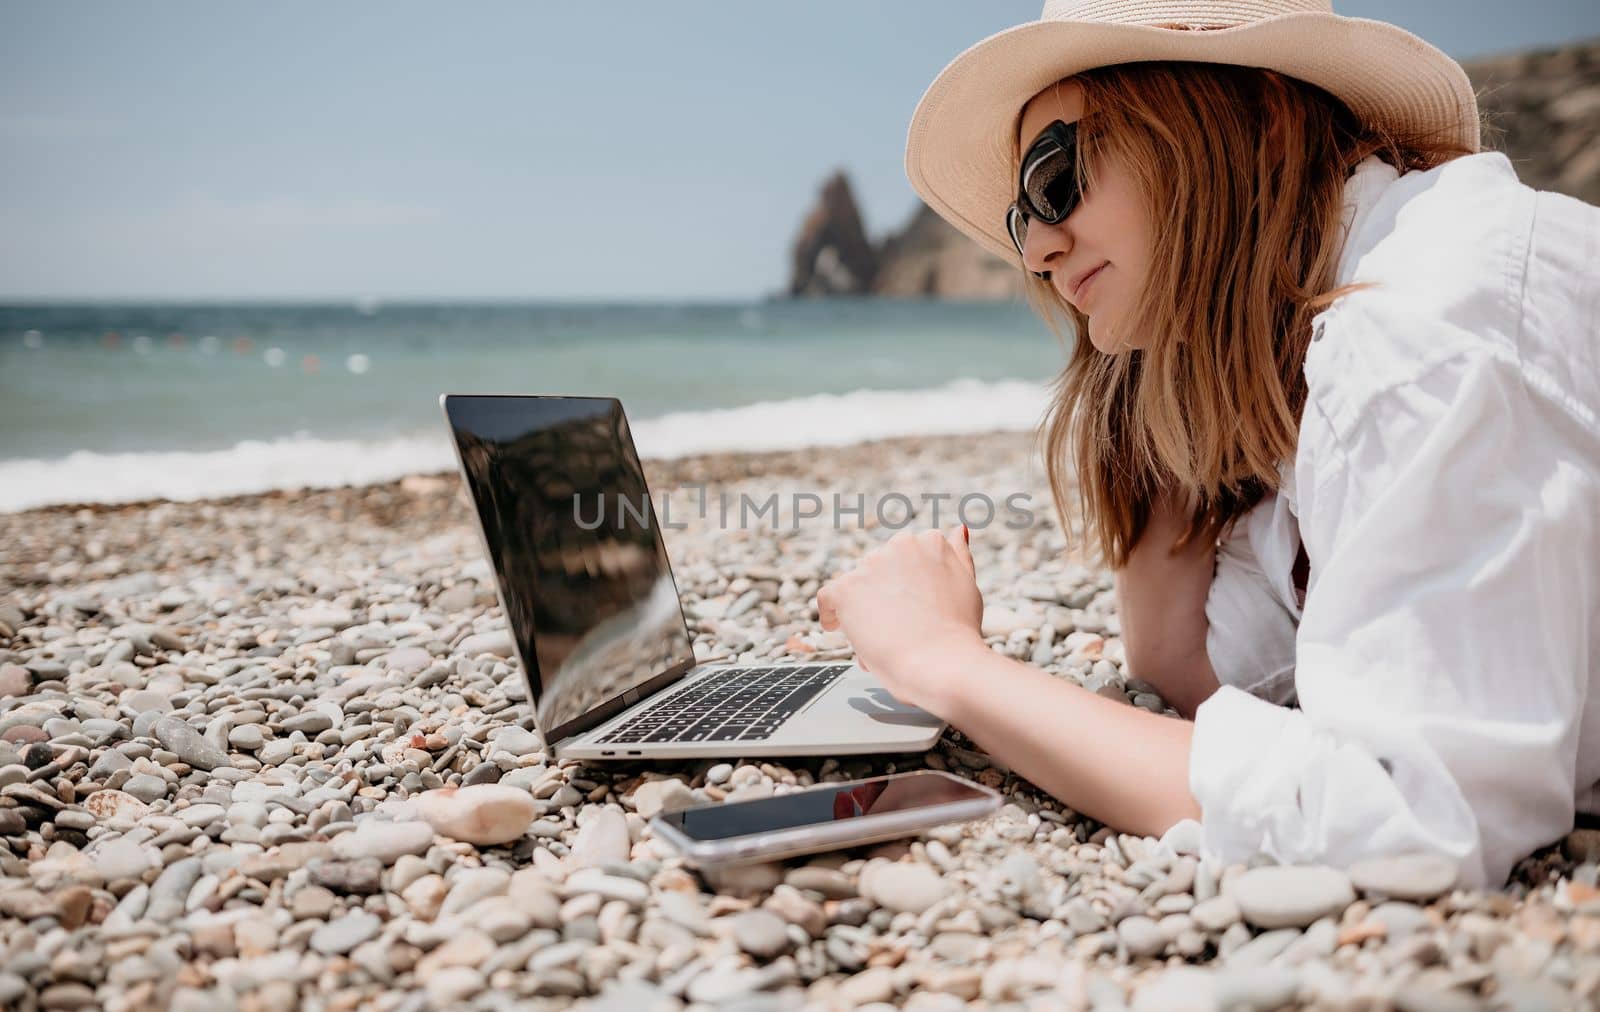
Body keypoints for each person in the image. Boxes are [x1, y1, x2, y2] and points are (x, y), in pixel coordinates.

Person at [815, 0, 1600, 890]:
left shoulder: (1417, 335)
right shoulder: (1327, 349)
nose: (1035, 248)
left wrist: (946, 665)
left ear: (1250, 120)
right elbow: (1195, 668)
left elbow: (1415, 822)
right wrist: (1166, 352)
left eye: (1053, 177)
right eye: (1018, 218)